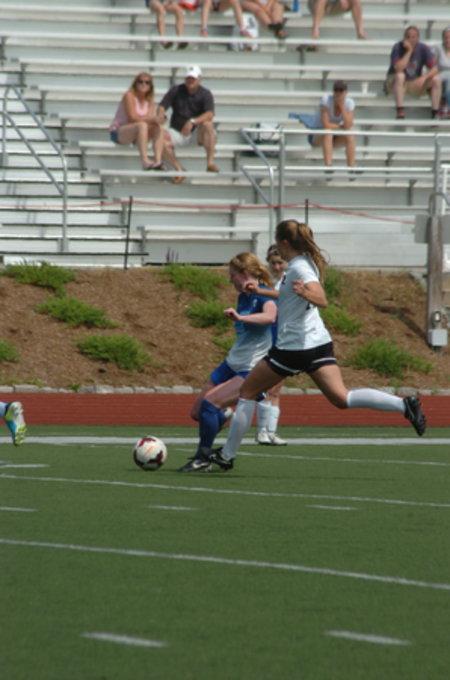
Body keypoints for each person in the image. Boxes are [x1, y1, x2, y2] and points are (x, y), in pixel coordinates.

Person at [201, 219, 426, 471]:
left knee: (247, 393)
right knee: (341, 397)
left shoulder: (299, 267)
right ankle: (403, 405)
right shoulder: (303, 263)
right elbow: (287, 295)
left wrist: (307, 293)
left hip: (293, 347)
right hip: (318, 342)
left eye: (276, 241)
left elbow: (321, 298)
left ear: (284, 242)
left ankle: (227, 455)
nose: (275, 245)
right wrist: (260, 291)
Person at [178, 252, 277, 472]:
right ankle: (221, 416)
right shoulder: (243, 296)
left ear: (244, 273)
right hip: (231, 363)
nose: (230, 279)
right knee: (197, 413)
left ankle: (202, 459)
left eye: (232, 275)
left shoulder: (264, 295)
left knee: (209, 405)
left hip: (251, 368)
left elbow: (270, 316)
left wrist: (241, 318)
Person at [157, 65, 219, 184]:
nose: (190, 81)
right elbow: (162, 106)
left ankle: (210, 163)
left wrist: (192, 122)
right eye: (188, 78)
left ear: (199, 79)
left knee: (208, 125)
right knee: (158, 134)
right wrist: (160, 115)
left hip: (196, 134)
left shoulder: (205, 94)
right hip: (176, 131)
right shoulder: (176, 90)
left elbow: (210, 114)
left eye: (193, 78)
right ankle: (179, 169)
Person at [255, 244, 287, 445]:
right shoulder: (264, 283)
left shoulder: (290, 281)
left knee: (277, 387)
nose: (276, 267)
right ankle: (261, 431)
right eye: (273, 263)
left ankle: (271, 431)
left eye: (280, 263)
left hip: (285, 337)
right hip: (268, 337)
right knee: (267, 385)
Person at [109, 72, 165, 170]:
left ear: (150, 86)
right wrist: (152, 119)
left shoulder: (150, 100)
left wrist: (157, 120)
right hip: (120, 131)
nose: (143, 84)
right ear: (135, 84)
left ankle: (158, 161)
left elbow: (149, 119)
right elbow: (132, 118)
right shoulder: (129, 95)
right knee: (142, 125)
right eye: (140, 82)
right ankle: (144, 161)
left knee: (157, 127)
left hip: (138, 133)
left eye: (147, 82)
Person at [385, 25, 441, 120]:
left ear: (418, 38)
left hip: (413, 82)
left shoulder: (423, 48)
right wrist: (409, 52)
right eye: (408, 37)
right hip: (395, 83)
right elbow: (398, 68)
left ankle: (435, 112)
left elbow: (435, 69)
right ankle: (400, 110)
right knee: (400, 76)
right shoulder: (398, 47)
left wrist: (423, 77)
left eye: (413, 37)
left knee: (436, 79)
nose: (410, 39)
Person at [309, 80, 355, 168]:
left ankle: (351, 166)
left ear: (346, 93)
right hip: (317, 135)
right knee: (328, 132)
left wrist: (342, 107)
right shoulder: (326, 100)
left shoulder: (349, 103)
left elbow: (348, 124)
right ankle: (328, 165)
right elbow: (326, 124)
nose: (338, 93)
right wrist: (342, 127)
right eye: (336, 90)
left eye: (341, 91)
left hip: (333, 137)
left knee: (350, 133)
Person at [435, 26, 450, 117]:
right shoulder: (438, 49)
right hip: (440, 74)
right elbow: (434, 66)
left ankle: (446, 105)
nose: (448, 40)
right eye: (446, 37)